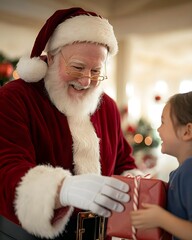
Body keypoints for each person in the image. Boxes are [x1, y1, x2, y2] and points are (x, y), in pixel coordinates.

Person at [0, 7, 141, 240]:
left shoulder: (107, 107)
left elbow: (123, 161)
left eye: (96, 71)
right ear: (53, 57)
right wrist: (60, 190)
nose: (86, 80)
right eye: (77, 67)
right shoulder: (15, 98)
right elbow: (6, 169)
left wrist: (136, 184)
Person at [130, 91, 192, 240]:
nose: (158, 129)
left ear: (187, 131)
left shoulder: (188, 171)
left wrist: (160, 218)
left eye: (163, 122)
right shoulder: (181, 171)